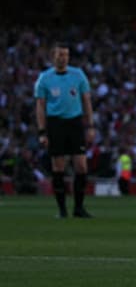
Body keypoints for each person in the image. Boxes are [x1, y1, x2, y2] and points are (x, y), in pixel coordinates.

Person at [34, 42, 96, 218]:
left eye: (66, 55)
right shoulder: (44, 78)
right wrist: (42, 131)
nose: (63, 58)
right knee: (58, 166)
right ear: (53, 56)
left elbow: (86, 101)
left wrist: (90, 125)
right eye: (60, 54)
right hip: (55, 124)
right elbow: (40, 106)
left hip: (75, 123)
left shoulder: (78, 75)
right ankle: (62, 209)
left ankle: (79, 207)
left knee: (81, 166)